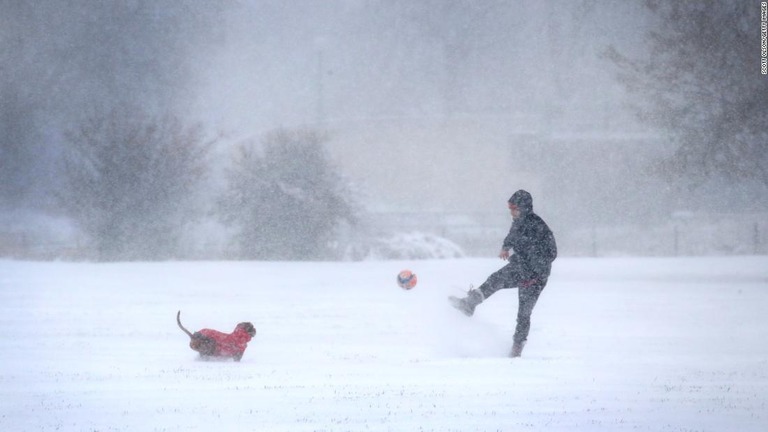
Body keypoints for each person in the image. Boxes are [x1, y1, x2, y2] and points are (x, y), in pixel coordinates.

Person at [449, 189, 557, 358]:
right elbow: (512, 235)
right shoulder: (518, 222)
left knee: (523, 313)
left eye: (514, 209)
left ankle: (517, 348)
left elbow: (551, 253)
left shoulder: (538, 226)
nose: (511, 213)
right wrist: (506, 247)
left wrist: (534, 272)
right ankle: (469, 304)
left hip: (536, 277)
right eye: (510, 209)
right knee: (495, 279)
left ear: (524, 208)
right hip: (520, 267)